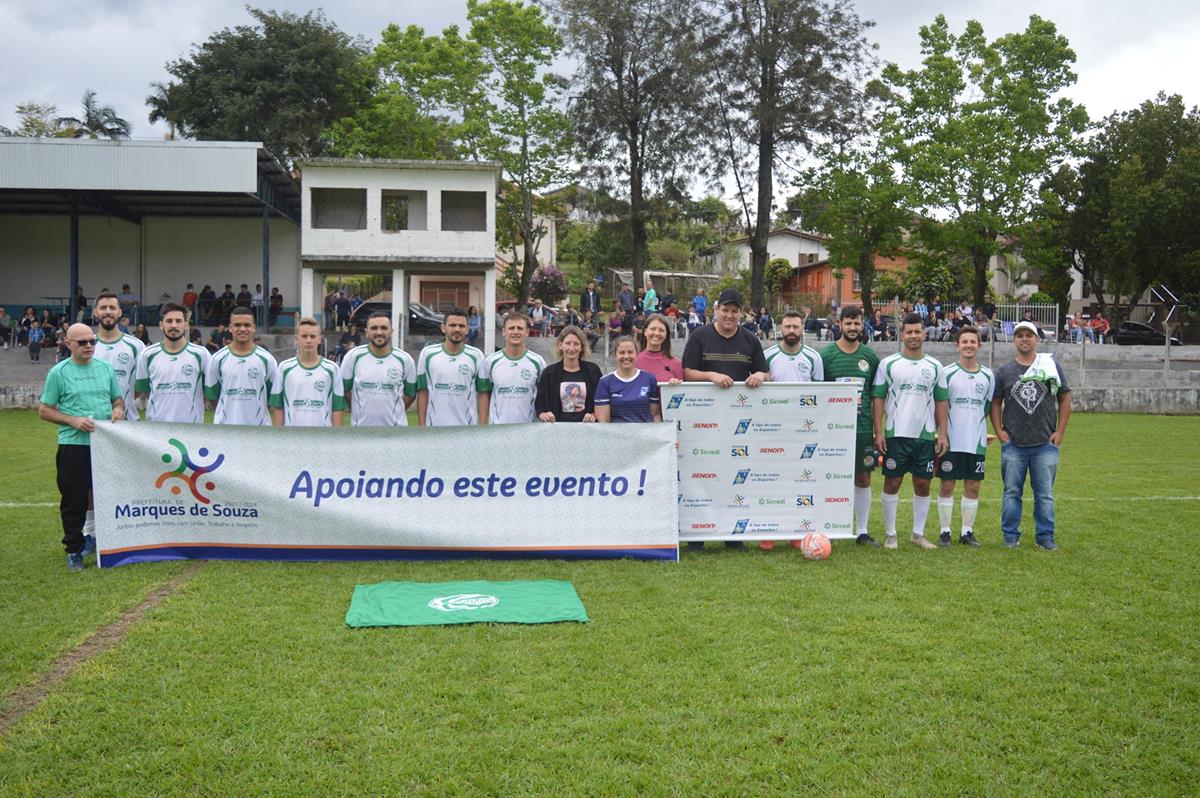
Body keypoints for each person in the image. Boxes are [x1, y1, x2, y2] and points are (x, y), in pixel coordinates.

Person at [681, 288, 769, 551]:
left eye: (734, 311)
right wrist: (711, 376)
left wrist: (760, 377)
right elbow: (687, 372)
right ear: (716, 310)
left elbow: (765, 372)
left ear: (740, 313)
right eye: (725, 310)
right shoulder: (700, 336)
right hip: (703, 420)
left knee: (735, 477)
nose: (729, 315)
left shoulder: (750, 340)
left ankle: (734, 534)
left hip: (739, 423)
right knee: (702, 477)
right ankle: (698, 535)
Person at [38, 322, 125, 570]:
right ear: (68, 344)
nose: (89, 346)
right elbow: (44, 410)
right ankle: (74, 549)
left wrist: (118, 409)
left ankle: (109, 543)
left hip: (105, 443)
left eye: (92, 341)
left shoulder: (105, 369)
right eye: (82, 342)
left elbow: (117, 399)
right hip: (73, 445)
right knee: (74, 499)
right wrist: (72, 420)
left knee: (108, 495)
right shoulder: (59, 372)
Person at [989, 320, 1072, 550]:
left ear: (1036, 339)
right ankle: (1011, 536)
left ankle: (1045, 537)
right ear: (1014, 340)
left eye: (1029, 335)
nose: (1024, 339)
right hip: (1014, 443)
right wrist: (999, 431)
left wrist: (1060, 432)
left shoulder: (1050, 366)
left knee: (1044, 495)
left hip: (1045, 443)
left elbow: (1065, 398)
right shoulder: (1005, 371)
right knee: (1011, 493)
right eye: (1020, 335)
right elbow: (995, 403)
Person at [872, 313, 949, 550]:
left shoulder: (935, 366)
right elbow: (878, 397)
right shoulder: (888, 364)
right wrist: (879, 432)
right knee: (892, 482)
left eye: (917, 332)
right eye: (909, 332)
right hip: (896, 435)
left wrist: (942, 433)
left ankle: (918, 533)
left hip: (924, 436)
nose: (913, 336)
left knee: (923, 483)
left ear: (924, 334)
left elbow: (941, 401)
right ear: (902, 334)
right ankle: (890, 534)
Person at [820, 306, 880, 546]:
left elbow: (875, 396)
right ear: (840, 324)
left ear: (862, 324)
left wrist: (877, 431)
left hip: (862, 428)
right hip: (832, 431)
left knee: (863, 477)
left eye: (857, 323)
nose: (853, 328)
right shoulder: (826, 356)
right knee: (831, 478)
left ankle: (862, 531)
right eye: (848, 323)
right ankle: (830, 528)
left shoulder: (870, 357)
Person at [935, 326, 995, 547]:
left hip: (976, 441)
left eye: (973, 342)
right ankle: (945, 532)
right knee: (947, 484)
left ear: (979, 345)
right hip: (951, 440)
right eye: (965, 342)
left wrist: (979, 430)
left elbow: (986, 407)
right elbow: (939, 406)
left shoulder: (988, 376)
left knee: (973, 485)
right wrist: (941, 434)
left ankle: (967, 532)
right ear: (957, 345)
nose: (969, 345)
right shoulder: (947, 373)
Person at [135, 303, 210, 424]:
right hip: (156, 429)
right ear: (161, 325)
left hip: (192, 429)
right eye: (169, 321)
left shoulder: (201, 354)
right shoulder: (147, 354)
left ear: (185, 325)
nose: (174, 325)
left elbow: (208, 392)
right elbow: (141, 391)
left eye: (178, 321)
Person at [204, 306, 280, 426]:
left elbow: (272, 398)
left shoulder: (267, 359)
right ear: (230, 328)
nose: (242, 329)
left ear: (253, 328)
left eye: (247, 325)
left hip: (258, 430)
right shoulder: (217, 359)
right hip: (225, 430)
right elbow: (212, 396)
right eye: (237, 325)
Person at [417, 307, 491, 426]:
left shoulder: (477, 355)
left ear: (467, 329)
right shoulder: (427, 354)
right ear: (443, 328)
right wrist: (421, 427)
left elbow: (482, 393)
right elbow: (423, 392)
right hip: (434, 429)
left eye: (461, 326)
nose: (457, 329)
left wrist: (482, 428)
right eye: (452, 325)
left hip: (466, 430)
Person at [341, 312, 417, 427]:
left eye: (384, 328)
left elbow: (410, 395)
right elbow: (345, 391)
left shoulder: (405, 359)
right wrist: (358, 410)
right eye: (374, 328)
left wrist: (395, 411)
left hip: (395, 433)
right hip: (361, 432)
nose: (379, 332)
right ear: (366, 332)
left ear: (391, 331)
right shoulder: (353, 357)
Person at [270, 317, 345, 427]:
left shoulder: (332, 369)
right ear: (296, 339)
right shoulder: (284, 368)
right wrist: (279, 437)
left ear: (320, 339)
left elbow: (337, 408)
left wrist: (335, 439)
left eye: (313, 336)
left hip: (322, 438)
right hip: (292, 438)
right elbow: (278, 406)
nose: (308, 340)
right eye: (304, 336)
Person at [92, 291, 146, 422]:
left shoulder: (136, 345)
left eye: (112, 308)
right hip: (96, 423)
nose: (108, 311)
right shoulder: (87, 344)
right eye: (103, 308)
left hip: (128, 421)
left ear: (120, 312)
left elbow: (140, 387)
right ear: (95, 312)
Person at [487, 312, 546, 425]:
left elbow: (543, 396)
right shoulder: (491, 361)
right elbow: (484, 394)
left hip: (528, 429)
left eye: (519, 328)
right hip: (498, 430)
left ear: (527, 332)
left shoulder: (538, 362)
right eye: (511, 328)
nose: (515, 332)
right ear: (504, 331)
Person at [536, 326, 601, 423]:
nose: (571, 348)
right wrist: (542, 414)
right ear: (560, 345)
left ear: (582, 347)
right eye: (568, 343)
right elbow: (540, 403)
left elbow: (602, 400)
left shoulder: (593, 371)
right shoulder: (549, 373)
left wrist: (595, 414)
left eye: (576, 344)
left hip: (587, 429)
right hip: (557, 430)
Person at [595, 336, 662, 423]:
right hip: (618, 435)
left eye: (630, 352)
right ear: (615, 355)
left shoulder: (649, 379)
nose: (626, 356)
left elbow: (655, 415)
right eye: (622, 352)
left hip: (645, 435)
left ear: (636, 354)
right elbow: (604, 422)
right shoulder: (605, 382)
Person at [764, 311, 824, 382]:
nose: (791, 331)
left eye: (795, 327)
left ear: (802, 329)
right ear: (781, 328)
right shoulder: (766, 356)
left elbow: (818, 390)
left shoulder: (814, 358)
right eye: (787, 327)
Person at [635, 313, 683, 383]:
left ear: (666, 334)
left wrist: (676, 387)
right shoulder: (634, 362)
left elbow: (682, 393)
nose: (657, 333)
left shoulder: (677, 364)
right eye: (653, 329)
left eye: (661, 330)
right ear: (645, 332)